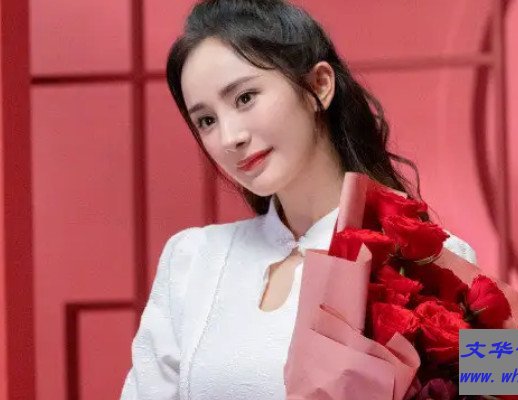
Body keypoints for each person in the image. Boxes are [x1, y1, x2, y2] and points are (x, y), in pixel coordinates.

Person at [120, 1, 477, 399]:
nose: (229, 137)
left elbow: (517, 375)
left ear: (319, 86)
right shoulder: (192, 260)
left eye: (245, 98)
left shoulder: (420, 257)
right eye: (206, 120)